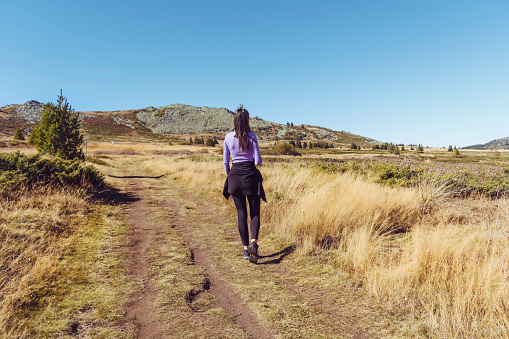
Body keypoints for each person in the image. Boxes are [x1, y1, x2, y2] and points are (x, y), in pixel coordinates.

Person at [223, 105, 266, 264]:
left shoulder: (227, 137)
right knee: (254, 213)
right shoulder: (252, 137)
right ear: (247, 120)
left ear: (234, 120)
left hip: (235, 177)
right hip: (250, 176)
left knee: (241, 214)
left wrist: (231, 178)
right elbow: (258, 161)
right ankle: (254, 242)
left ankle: (246, 250)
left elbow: (225, 162)